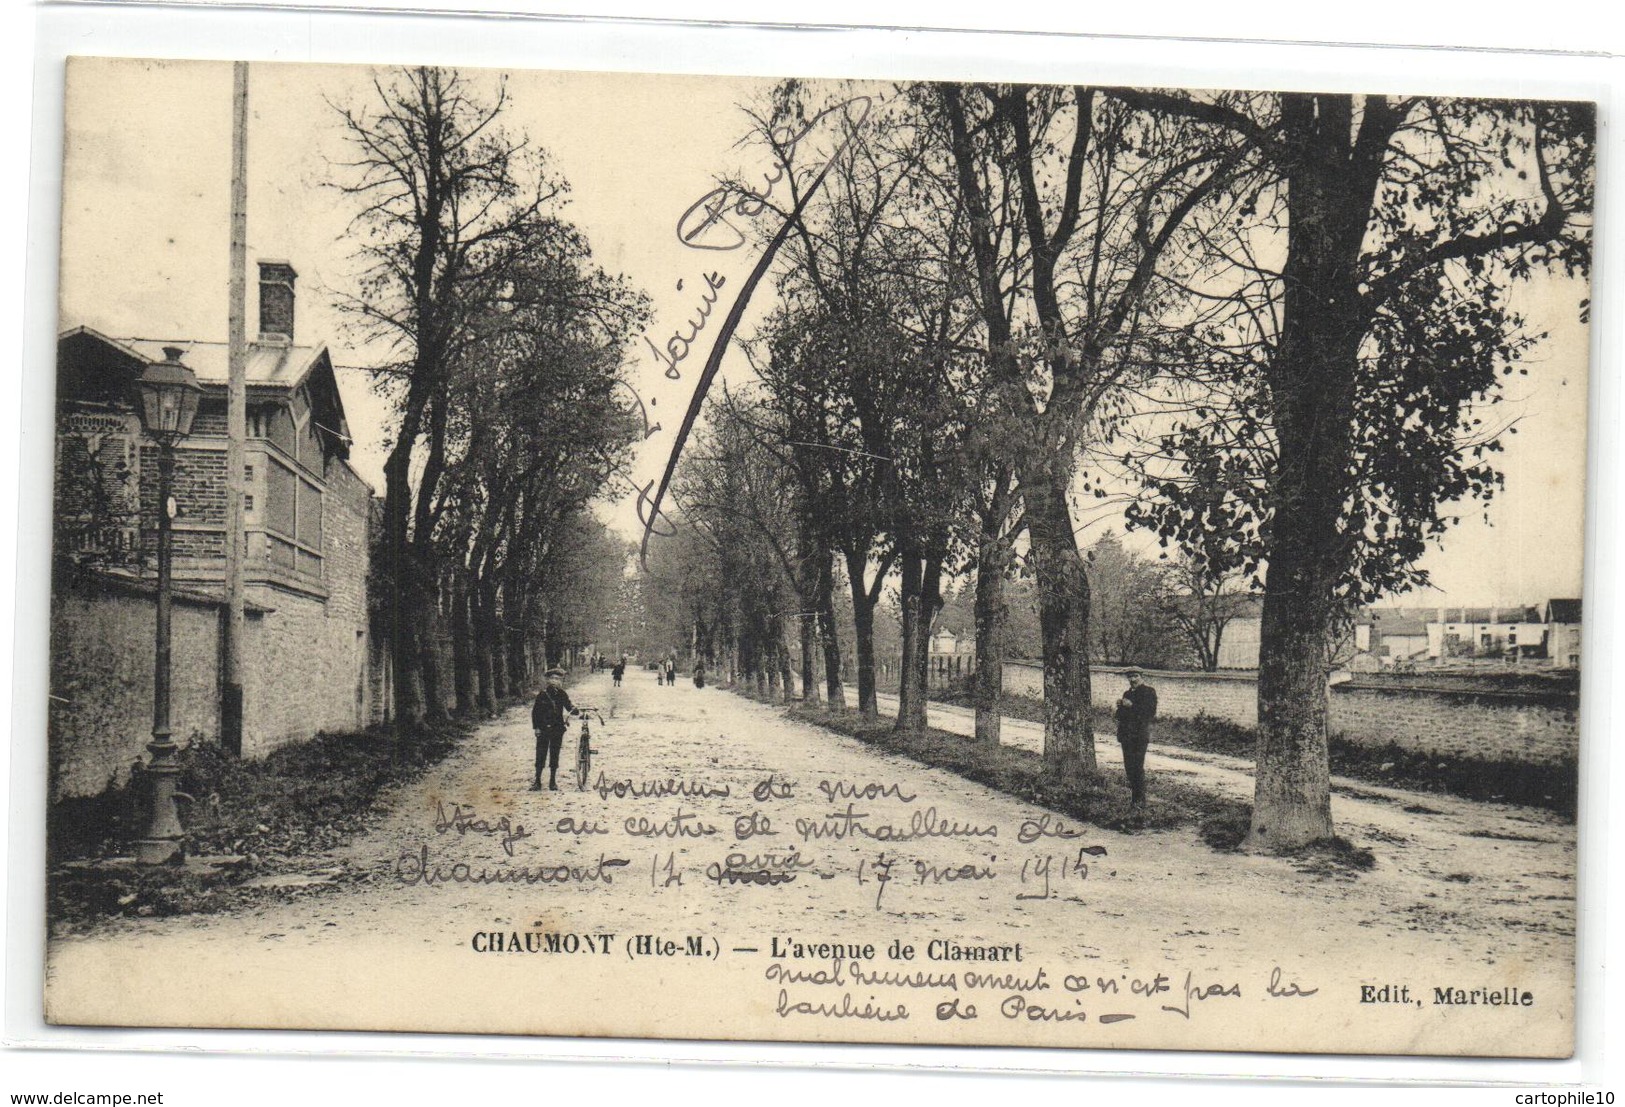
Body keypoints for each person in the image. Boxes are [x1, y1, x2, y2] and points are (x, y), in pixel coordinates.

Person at [1115, 667, 1158, 808]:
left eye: (1135, 676)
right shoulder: (1127, 693)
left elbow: (1149, 713)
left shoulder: (1149, 692)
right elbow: (1120, 716)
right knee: (1129, 768)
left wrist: (1131, 705)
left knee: (1137, 767)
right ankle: (1135, 799)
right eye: (1130, 677)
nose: (1132, 679)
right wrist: (1120, 707)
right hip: (1126, 736)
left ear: (1141, 676)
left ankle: (1140, 800)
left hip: (1139, 735)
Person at [531, 667, 579, 791]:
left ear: (561, 681)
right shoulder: (542, 694)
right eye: (552, 678)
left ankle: (552, 781)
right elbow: (535, 713)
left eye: (558, 679)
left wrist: (575, 710)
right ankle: (537, 781)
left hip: (557, 729)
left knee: (554, 754)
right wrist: (536, 728)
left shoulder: (562, 694)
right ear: (548, 680)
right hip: (543, 729)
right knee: (540, 754)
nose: (555, 681)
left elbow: (569, 707)